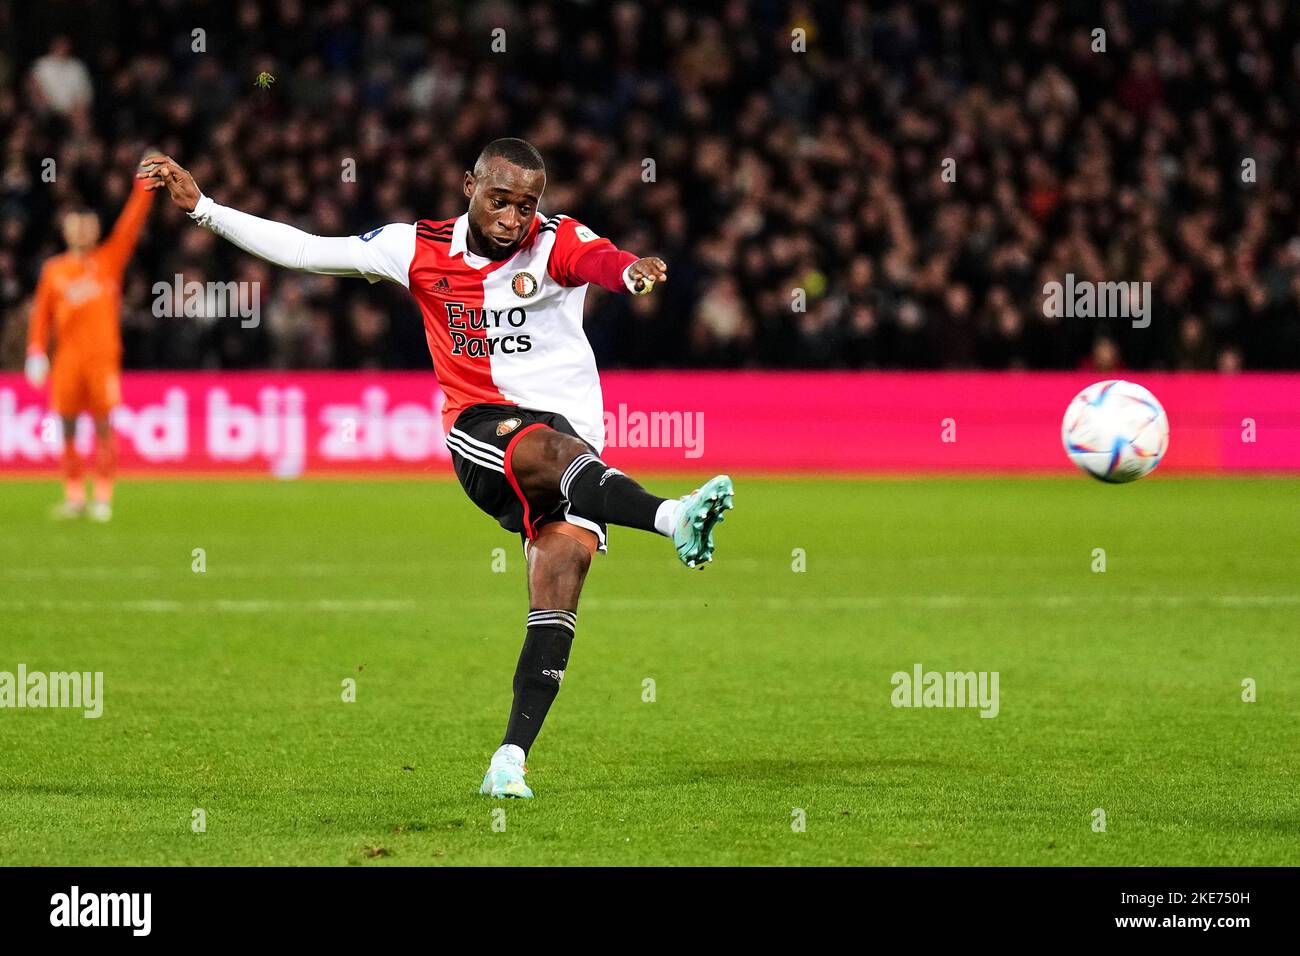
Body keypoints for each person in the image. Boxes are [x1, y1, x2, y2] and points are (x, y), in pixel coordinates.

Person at [139, 138, 734, 798]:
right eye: (500, 200)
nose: (513, 218)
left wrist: (629, 274)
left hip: (573, 448)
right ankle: (673, 516)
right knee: (547, 450)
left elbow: (601, 260)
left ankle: (509, 759)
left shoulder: (556, 239)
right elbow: (310, 250)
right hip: (484, 427)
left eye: (526, 205)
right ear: (468, 186)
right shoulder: (415, 248)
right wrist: (205, 210)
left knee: (562, 575)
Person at [27, 158, 156, 521]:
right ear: (67, 231)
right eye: (76, 226)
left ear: (95, 229)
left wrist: (143, 187)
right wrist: (36, 351)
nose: (82, 232)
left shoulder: (109, 260)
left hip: (102, 360)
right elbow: (41, 316)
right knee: (66, 426)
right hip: (67, 360)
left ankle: (102, 495)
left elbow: (130, 225)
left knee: (104, 427)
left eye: (87, 225)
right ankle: (73, 494)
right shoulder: (54, 271)